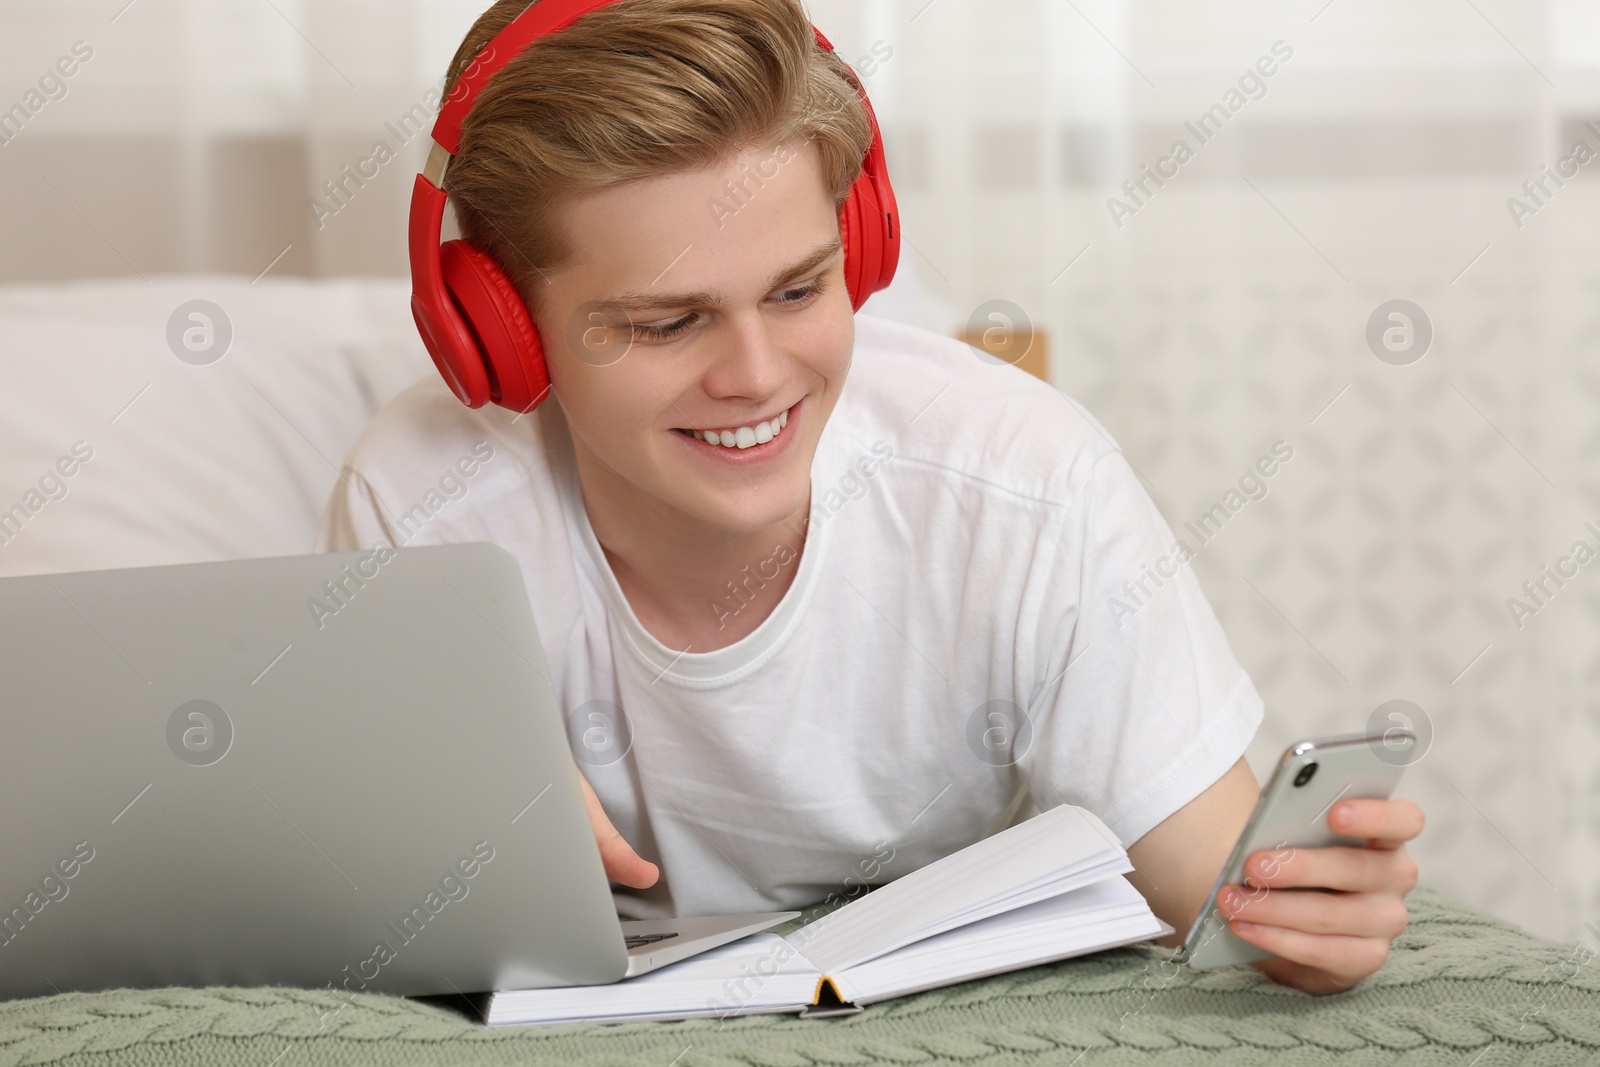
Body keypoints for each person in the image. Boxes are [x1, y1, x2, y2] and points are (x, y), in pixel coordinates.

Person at [316, 0, 1422, 996]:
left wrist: (1305, 920)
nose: (754, 373)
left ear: (860, 243)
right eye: (667, 322)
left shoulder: (1022, 480)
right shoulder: (423, 505)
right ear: (501, 330)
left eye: (798, 290)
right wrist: (452, 810)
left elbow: (1219, 881)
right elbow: (364, 917)